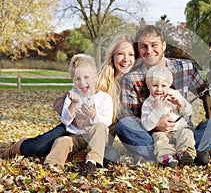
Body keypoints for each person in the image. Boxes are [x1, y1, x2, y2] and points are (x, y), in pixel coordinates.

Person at [0, 34, 136, 164]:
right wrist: (78, 114)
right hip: (71, 128)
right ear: (112, 55)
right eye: (120, 53)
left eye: (131, 54)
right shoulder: (97, 79)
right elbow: (62, 101)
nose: (126, 59)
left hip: (97, 136)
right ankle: (18, 146)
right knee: (35, 148)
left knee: (110, 157)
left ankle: (72, 153)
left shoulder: (134, 84)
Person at [116, 25, 211, 165]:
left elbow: (206, 92)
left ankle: (182, 152)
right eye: (143, 46)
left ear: (163, 46)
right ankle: (174, 154)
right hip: (152, 137)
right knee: (124, 125)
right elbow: (129, 116)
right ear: (138, 49)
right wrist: (156, 124)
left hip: (182, 131)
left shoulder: (186, 68)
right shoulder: (131, 79)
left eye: (154, 45)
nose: (149, 51)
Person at [43, 53, 113, 176]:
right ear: (73, 80)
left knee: (100, 126)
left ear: (95, 77)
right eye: (77, 79)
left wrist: (93, 115)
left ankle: (91, 163)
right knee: (62, 141)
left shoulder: (104, 98)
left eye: (87, 77)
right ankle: (52, 166)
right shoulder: (72, 96)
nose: (82, 82)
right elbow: (65, 121)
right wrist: (73, 105)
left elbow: (107, 121)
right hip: (76, 137)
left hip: (96, 137)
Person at [141, 65, 196, 168]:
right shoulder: (148, 103)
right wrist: (156, 110)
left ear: (169, 85)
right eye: (155, 85)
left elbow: (188, 112)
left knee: (187, 133)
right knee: (159, 139)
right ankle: (168, 158)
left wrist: (181, 104)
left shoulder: (174, 94)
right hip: (161, 132)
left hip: (178, 130)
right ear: (148, 86)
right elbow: (146, 125)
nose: (159, 89)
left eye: (163, 86)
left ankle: (186, 154)